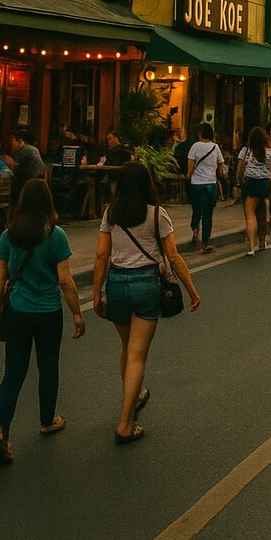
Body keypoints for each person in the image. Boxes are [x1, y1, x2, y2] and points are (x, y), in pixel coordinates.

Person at [92, 161, 200, 444]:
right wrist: (191, 289)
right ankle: (125, 424)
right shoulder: (156, 214)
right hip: (145, 285)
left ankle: (134, 394)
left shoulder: (110, 213)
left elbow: (101, 256)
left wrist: (96, 292)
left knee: (127, 348)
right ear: (146, 184)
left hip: (117, 283)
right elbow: (173, 256)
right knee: (137, 355)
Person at [0, 179, 85, 465]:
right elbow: (65, 280)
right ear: (47, 201)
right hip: (48, 312)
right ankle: (47, 420)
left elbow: (0, 277)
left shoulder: (9, 235)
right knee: (48, 366)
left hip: (18, 311)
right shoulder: (56, 235)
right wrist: (77, 312)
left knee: (13, 372)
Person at [235, 127, 271, 255]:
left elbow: (240, 169)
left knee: (250, 214)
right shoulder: (270, 153)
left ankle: (251, 247)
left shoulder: (246, 151)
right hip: (265, 183)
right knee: (262, 212)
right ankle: (262, 241)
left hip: (251, 182)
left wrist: (238, 181)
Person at [186, 123, 223, 254]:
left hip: (197, 183)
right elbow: (221, 165)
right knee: (208, 214)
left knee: (196, 210)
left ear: (200, 134)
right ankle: (206, 242)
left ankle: (195, 234)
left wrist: (188, 176)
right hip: (211, 184)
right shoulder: (215, 147)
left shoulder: (195, 146)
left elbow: (190, 166)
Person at [9, 129, 44, 201]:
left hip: (29, 181)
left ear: (20, 141)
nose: (11, 143)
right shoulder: (33, 148)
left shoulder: (24, 150)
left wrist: (13, 152)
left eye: (13, 140)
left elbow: (13, 167)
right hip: (39, 179)